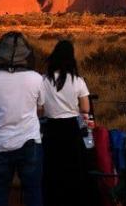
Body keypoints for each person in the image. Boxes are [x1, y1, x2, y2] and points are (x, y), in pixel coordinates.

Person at [0, 32, 44, 206]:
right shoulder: (36, 78)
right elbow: (41, 106)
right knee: (32, 190)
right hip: (30, 141)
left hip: (0, 143)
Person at [41, 40, 91, 206]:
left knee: (52, 167)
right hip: (72, 128)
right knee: (72, 167)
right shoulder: (78, 80)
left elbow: (39, 107)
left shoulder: (44, 80)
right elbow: (85, 108)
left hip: (51, 128)